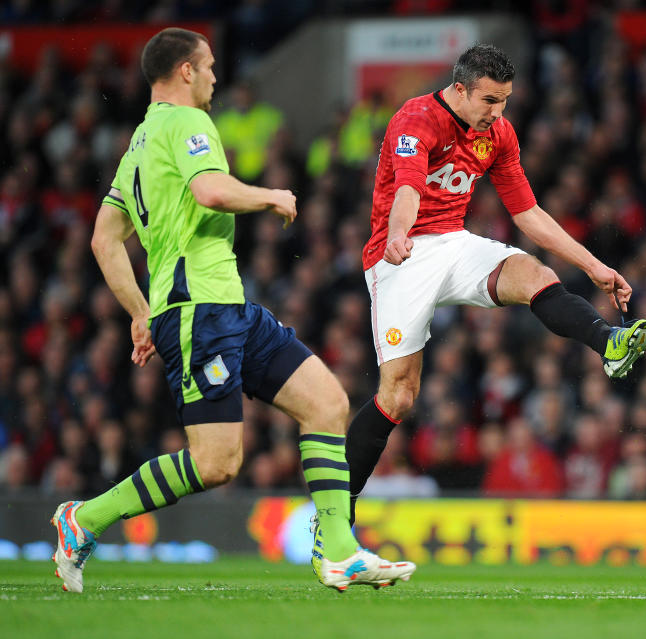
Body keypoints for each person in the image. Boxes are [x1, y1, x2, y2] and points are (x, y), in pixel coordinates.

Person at [50, 27, 413, 593]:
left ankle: (338, 550)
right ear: (186, 71)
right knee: (216, 462)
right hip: (200, 311)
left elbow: (103, 238)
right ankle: (85, 518)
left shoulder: (138, 147)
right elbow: (210, 191)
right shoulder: (188, 122)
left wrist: (140, 311)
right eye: (211, 67)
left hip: (225, 306)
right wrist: (271, 195)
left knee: (327, 403)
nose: (217, 78)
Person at [346, 44, 646, 523]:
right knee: (399, 397)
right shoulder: (416, 119)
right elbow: (408, 188)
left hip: (453, 241)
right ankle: (333, 510)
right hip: (400, 257)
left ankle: (608, 342)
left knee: (537, 274)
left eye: (505, 100)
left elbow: (527, 212)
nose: (498, 112)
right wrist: (399, 235)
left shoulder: (499, 133)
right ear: (460, 89)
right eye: (490, 100)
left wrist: (594, 265)